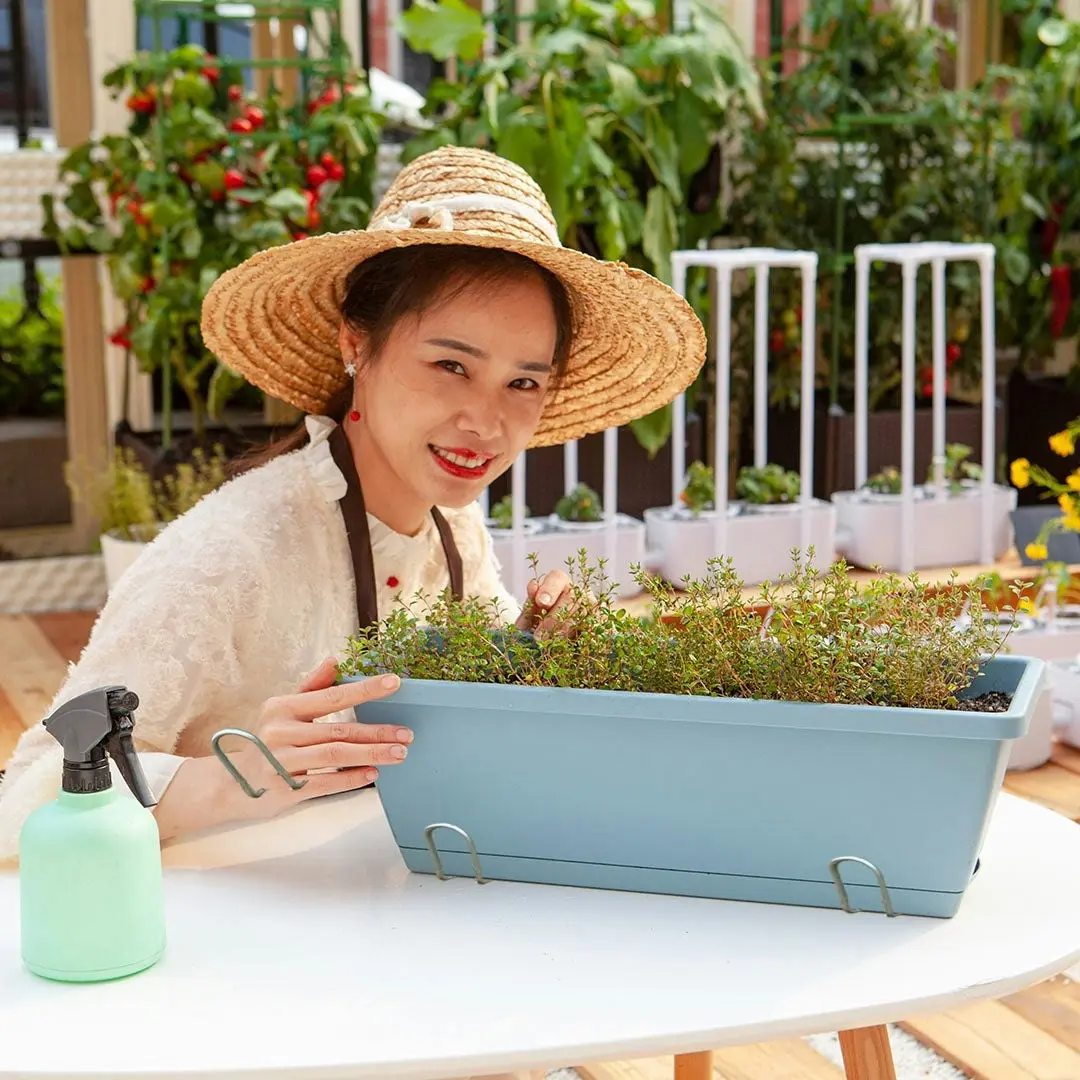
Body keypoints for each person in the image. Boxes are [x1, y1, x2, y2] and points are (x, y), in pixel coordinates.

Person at [0, 144, 704, 859]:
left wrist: (539, 656)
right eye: (451, 365)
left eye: (523, 382)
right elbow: (27, 797)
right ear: (354, 345)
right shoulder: (231, 553)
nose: (486, 422)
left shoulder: (454, 529)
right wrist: (235, 777)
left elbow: (466, 730)